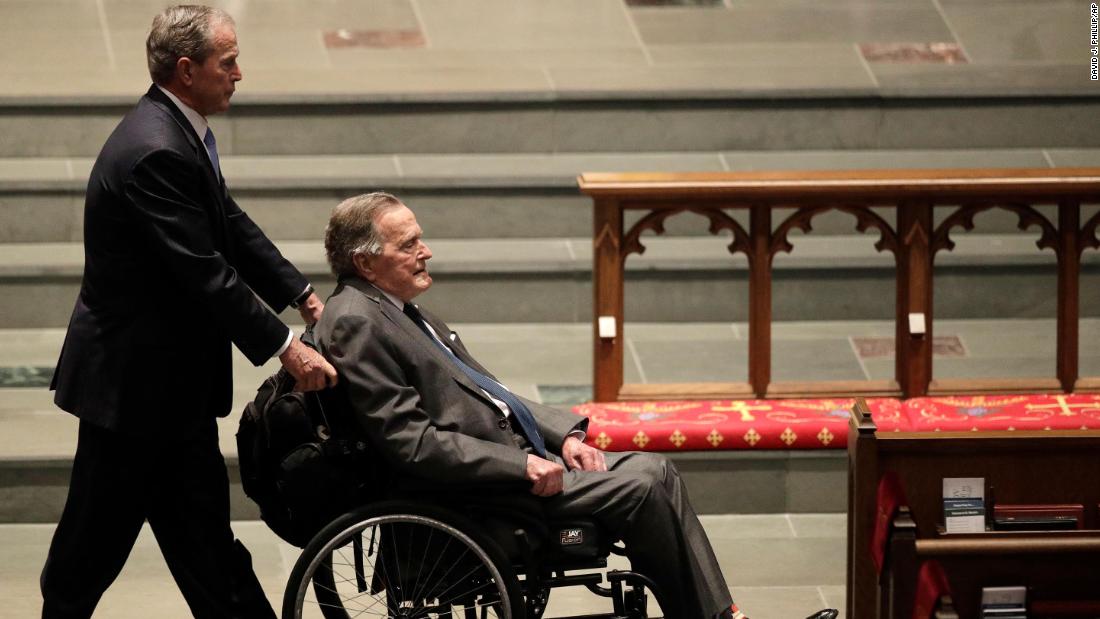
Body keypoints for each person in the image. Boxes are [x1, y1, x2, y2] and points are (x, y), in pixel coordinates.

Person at [318, 192, 768, 619]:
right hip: (477, 493)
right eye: (410, 243)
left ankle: (719, 613)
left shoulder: (396, 308)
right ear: (366, 262)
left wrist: (564, 435)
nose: (427, 251)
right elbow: (410, 443)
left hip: (508, 460)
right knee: (641, 489)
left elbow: (491, 392)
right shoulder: (358, 321)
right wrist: (521, 466)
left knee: (657, 471)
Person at [41, 6, 337, 618]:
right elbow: (205, 273)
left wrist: (302, 293)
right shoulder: (154, 151)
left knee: (204, 546)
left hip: (168, 391)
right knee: (88, 554)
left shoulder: (177, 129)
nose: (238, 74)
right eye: (227, 62)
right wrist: (286, 345)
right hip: (130, 395)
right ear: (186, 69)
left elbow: (229, 222)